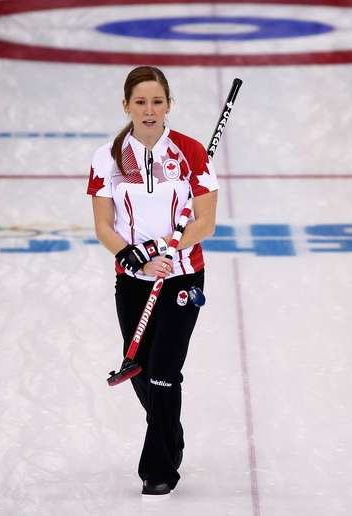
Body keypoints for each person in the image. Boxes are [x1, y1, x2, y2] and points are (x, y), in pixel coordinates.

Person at [87, 66, 218, 498]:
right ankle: (171, 433)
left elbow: (205, 223)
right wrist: (134, 257)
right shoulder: (107, 157)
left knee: (164, 371)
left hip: (181, 276)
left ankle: (158, 467)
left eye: (157, 101)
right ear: (126, 105)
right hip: (132, 279)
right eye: (140, 102)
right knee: (141, 369)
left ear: (169, 105)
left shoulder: (191, 152)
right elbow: (104, 226)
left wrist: (163, 247)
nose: (149, 110)